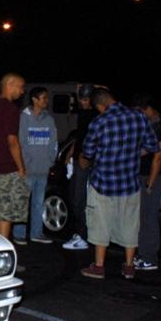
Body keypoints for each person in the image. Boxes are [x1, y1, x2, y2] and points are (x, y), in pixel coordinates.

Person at [79, 89, 159, 280]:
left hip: (103, 183)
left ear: (99, 106)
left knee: (100, 223)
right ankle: (129, 266)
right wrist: (133, 153)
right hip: (130, 184)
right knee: (130, 225)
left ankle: (99, 267)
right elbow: (152, 145)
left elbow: (88, 151)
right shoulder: (139, 117)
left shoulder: (99, 122)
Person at [0, 73, 29, 242]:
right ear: (10, 84)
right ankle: (3, 249)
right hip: (7, 167)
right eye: (21, 87)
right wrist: (21, 167)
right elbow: (12, 141)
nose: (22, 91)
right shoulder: (10, 109)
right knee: (6, 213)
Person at [12, 87, 57, 245]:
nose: (46, 101)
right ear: (34, 99)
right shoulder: (23, 118)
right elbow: (20, 143)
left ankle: (36, 233)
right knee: (22, 202)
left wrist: (50, 161)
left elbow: (53, 142)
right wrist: (24, 165)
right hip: (27, 170)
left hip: (43, 169)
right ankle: (19, 233)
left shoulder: (49, 119)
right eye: (43, 98)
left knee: (38, 203)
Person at [132, 93, 161, 271]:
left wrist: (150, 183)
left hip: (152, 177)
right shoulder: (148, 124)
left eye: (140, 111)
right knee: (141, 217)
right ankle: (142, 254)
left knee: (149, 218)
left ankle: (149, 258)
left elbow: (158, 158)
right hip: (141, 175)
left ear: (147, 109)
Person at [63, 83, 97, 250]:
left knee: (80, 200)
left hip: (87, 161)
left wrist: (86, 157)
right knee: (74, 198)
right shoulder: (82, 113)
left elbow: (95, 138)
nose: (82, 102)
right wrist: (71, 151)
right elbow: (81, 135)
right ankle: (80, 234)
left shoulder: (96, 114)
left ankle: (83, 236)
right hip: (78, 159)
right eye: (80, 99)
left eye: (85, 99)